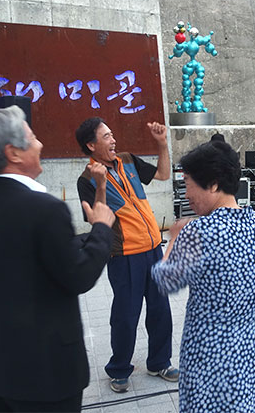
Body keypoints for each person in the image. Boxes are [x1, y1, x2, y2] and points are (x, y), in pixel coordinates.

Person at [0, 106, 116, 412]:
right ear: (13, 153)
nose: (40, 145)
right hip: (48, 373)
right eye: (33, 138)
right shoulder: (45, 209)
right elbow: (79, 276)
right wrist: (102, 228)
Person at [152, 141, 255, 412]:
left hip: (213, 353)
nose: (186, 193)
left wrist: (172, 241)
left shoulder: (197, 232)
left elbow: (165, 280)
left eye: (188, 183)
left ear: (212, 184)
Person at [75, 117, 177, 393]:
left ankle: (159, 362)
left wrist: (161, 144)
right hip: (124, 256)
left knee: (160, 310)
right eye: (106, 136)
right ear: (91, 145)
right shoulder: (85, 181)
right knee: (125, 316)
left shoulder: (127, 160)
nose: (113, 140)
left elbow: (164, 175)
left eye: (112, 134)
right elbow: (96, 218)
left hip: (153, 249)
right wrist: (100, 184)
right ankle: (119, 368)